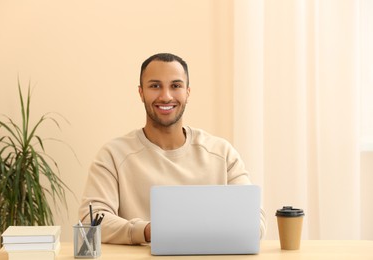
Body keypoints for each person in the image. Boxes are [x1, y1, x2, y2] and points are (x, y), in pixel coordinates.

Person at [79, 53, 266, 244]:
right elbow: (91, 219)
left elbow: (255, 222)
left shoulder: (222, 152)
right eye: (155, 86)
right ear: (141, 93)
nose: (166, 96)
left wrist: (192, 230)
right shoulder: (113, 154)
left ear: (188, 92)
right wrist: (148, 231)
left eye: (175, 86)